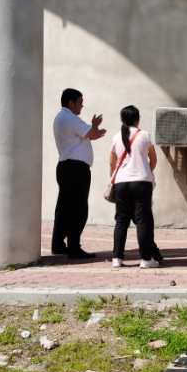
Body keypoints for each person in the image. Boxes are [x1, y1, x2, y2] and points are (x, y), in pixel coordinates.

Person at [52, 88, 106, 259]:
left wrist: (94, 130)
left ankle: (58, 244)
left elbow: (89, 134)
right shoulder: (70, 118)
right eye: (80, 102)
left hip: (66, 166)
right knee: (78, 208)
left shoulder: (61, 117)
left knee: (64, 208)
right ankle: (74, 246)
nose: (82, 106)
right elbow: (91, 133)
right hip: (76, 169)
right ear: (71, 103)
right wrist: (95, 126)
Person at [109, 105, 163, 269]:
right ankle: (146, 258)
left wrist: (114, 179)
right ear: (138, 119)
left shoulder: (116, 137)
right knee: (143, 220)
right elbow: (153, 159)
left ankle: (117, 258)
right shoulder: (145, 135)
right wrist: (146, 170)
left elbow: (112, 162)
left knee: (121, 220)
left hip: (121, 182)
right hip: (141, 182)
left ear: (122, 119)